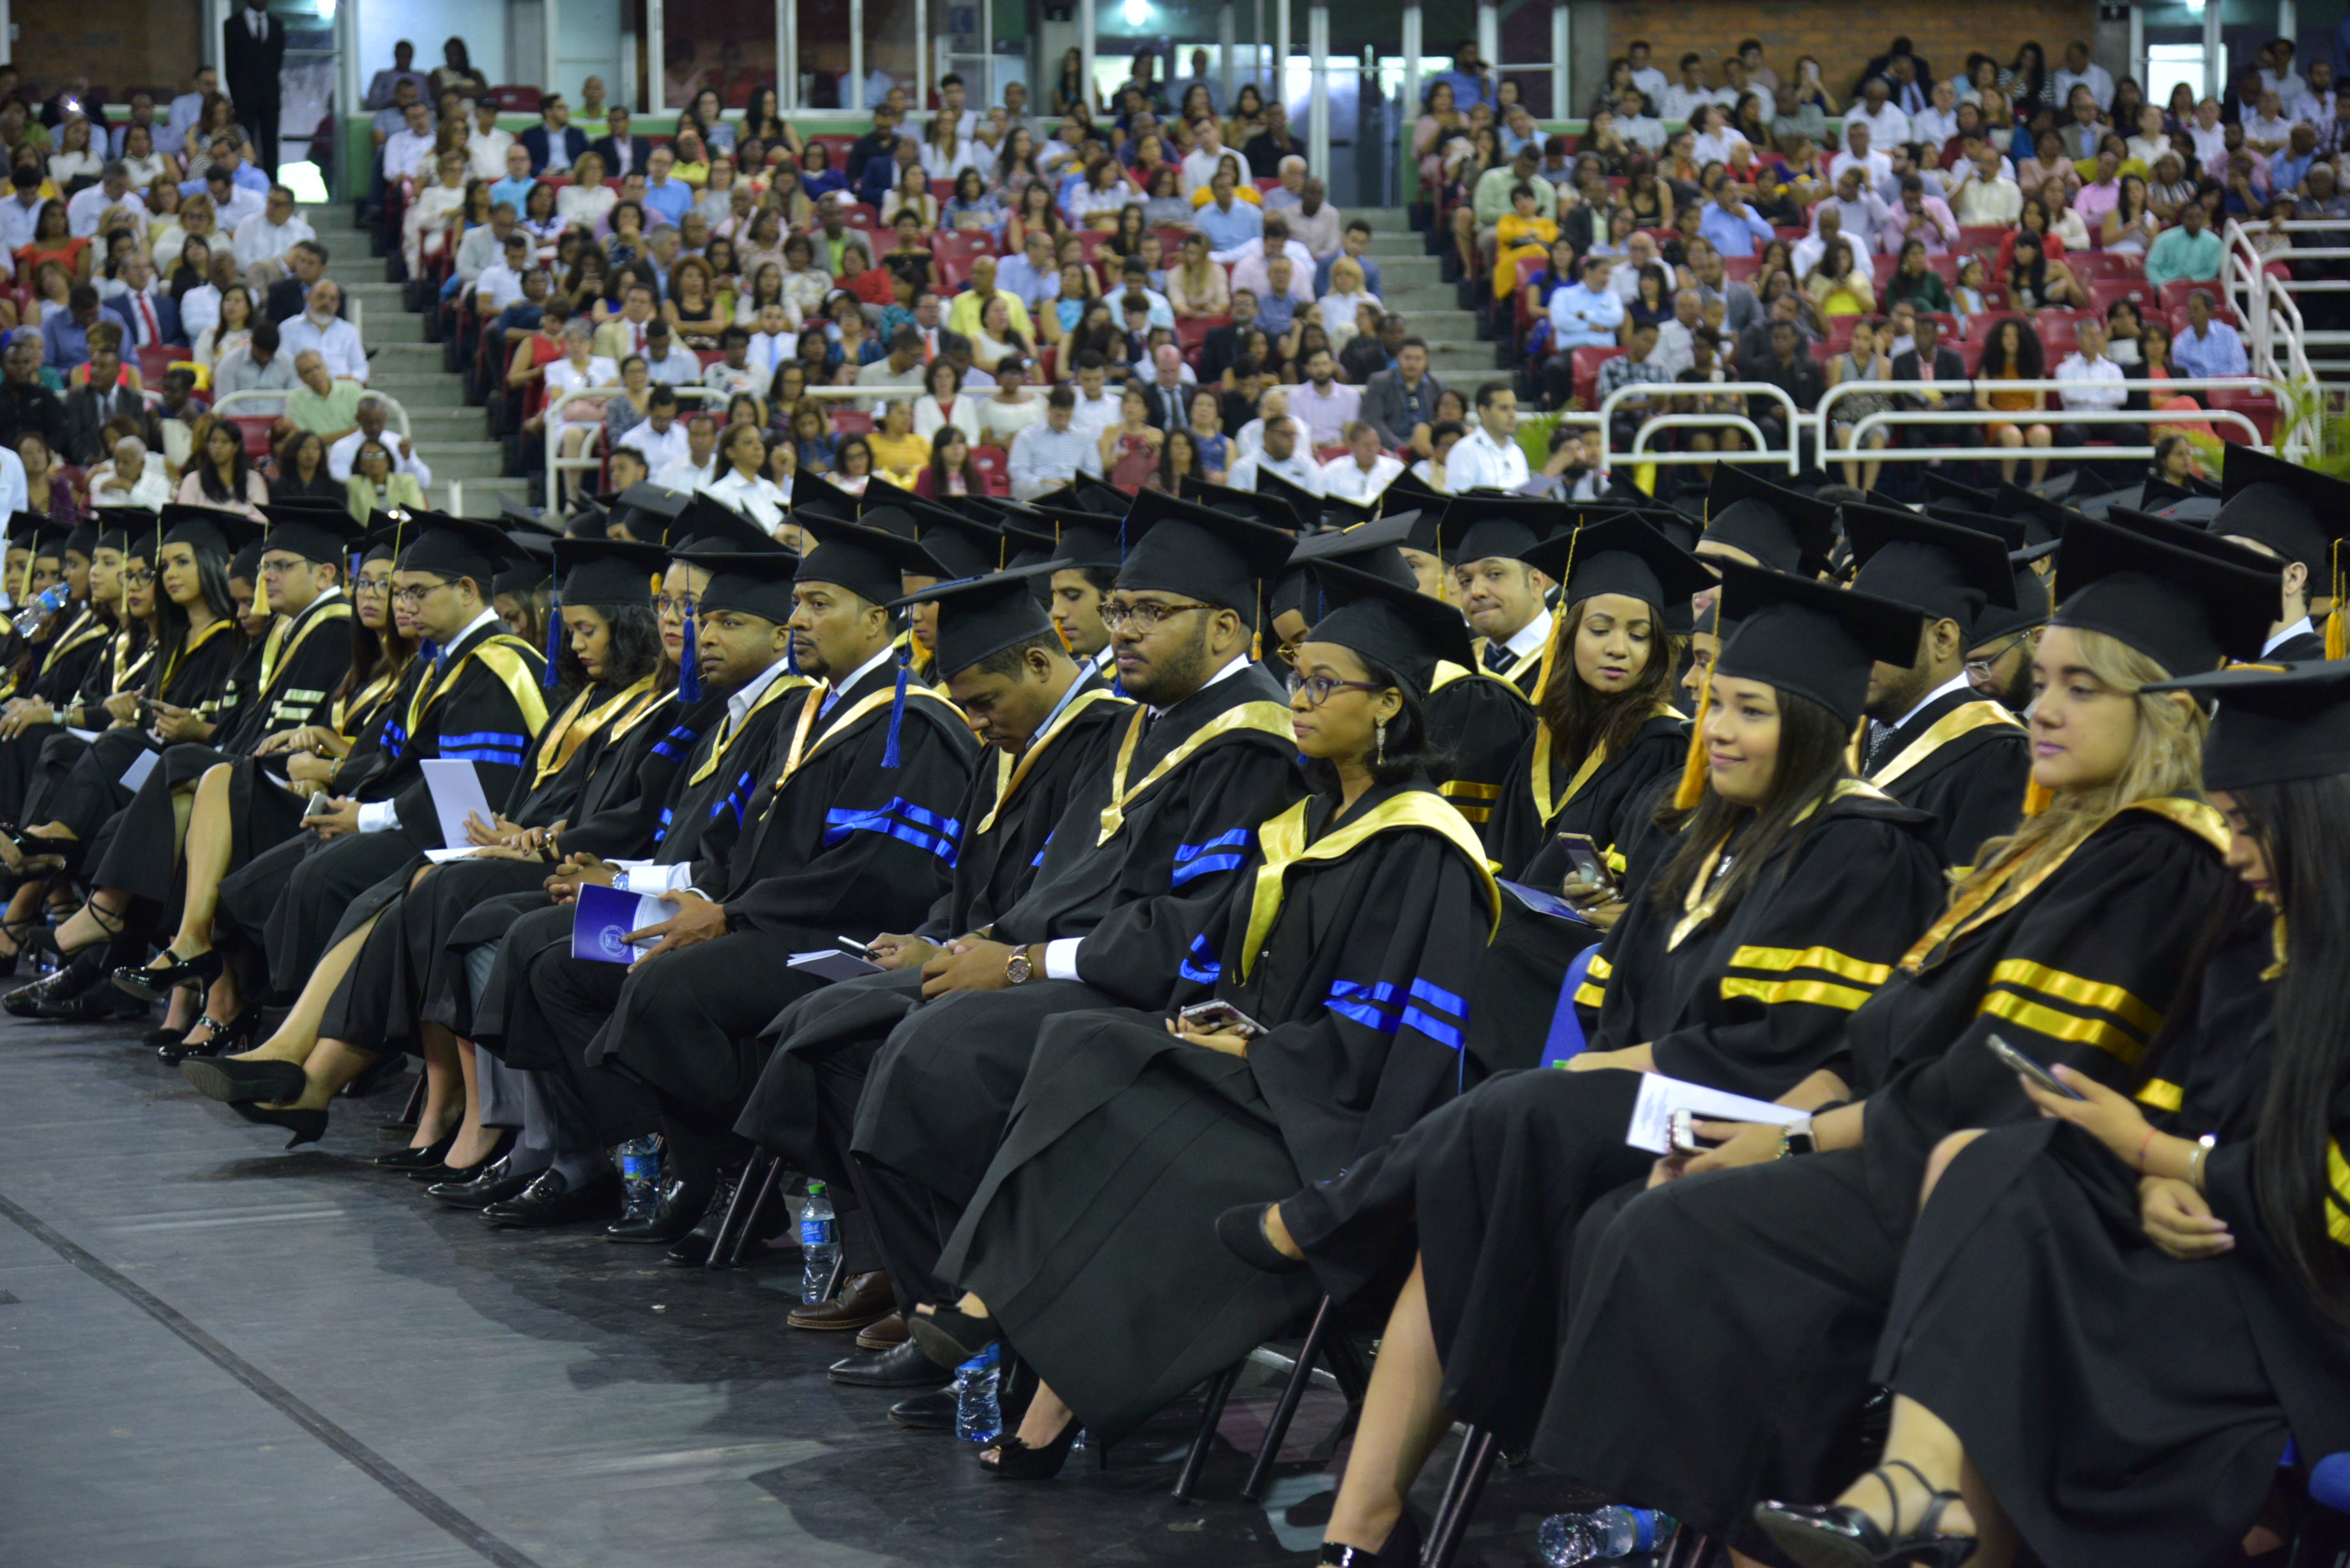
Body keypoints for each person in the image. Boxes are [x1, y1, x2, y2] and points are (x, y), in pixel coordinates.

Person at [1536, 518, 2279, 1556]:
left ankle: (1761, 1531)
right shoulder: (2057, 846)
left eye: (2081, 688)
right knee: (1635, 1213)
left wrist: (1790, 1140)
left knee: (1682, 1235)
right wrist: (1790, 1124)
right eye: (2043, 680)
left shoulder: (2157, 856)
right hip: (1920, 1151)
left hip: (2005, 1183)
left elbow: (2007, 1081)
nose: (2041, 708)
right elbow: (1903, 1047)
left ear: (2164, 709)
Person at [1230, 560, 1953, 1567]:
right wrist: (1614, 1065)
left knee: (1524, 1111)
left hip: (1758, 1116)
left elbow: (1801, 1045)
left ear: (1818, 728)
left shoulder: (1864, 851)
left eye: (1751, 711)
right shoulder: (1706, 840)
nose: (1719, 731)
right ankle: (1364, 1527)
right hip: (1659, 1096)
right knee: (1481, 1180)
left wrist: (1616, 1071)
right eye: (1715, 707)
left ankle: (1328, 1222)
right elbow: (1627, 1002)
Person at [906, 557, 1502, 1470]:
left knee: (1102, 1066)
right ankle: (1012, 1344)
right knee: (1084, 1039)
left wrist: (1257, 1042)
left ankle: (1007, 1341)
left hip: (1328, 1118)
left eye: (1322, 684)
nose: (1298, 698)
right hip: (1261, 1074)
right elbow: (1225, 964)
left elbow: (1389, 1046)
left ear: (1388, 706)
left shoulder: (1423, 847)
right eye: (1296, 676)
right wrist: (1220, 1018)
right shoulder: (1305, 824)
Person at [1760, 656, 2350, 1568]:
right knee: (1995, 1160)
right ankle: (1915, 1477)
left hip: (2306, 1313)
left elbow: (2322, 1191)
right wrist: (2161, 1180)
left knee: (2019, 1297)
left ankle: (1923, 1489)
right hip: (2225, 1252)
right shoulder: (2269, 948)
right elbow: (2202, 1120)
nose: (2234, 854)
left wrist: (2166, 1159)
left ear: (2321, 829)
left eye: (2249, 829)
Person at [1478, 513, 1706, 878]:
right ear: (1568, 636)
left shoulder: (1663, 746)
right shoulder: (1545, 738)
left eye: (1638, 635)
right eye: (1600, 630)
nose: (1618, 648)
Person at [1442, 382, 1528, 495]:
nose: (1512, 414)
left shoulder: (1517, 452)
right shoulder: (1465, 451)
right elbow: (1458, 504)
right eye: (1504, 408)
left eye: (1514, 408)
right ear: (1484, 412)